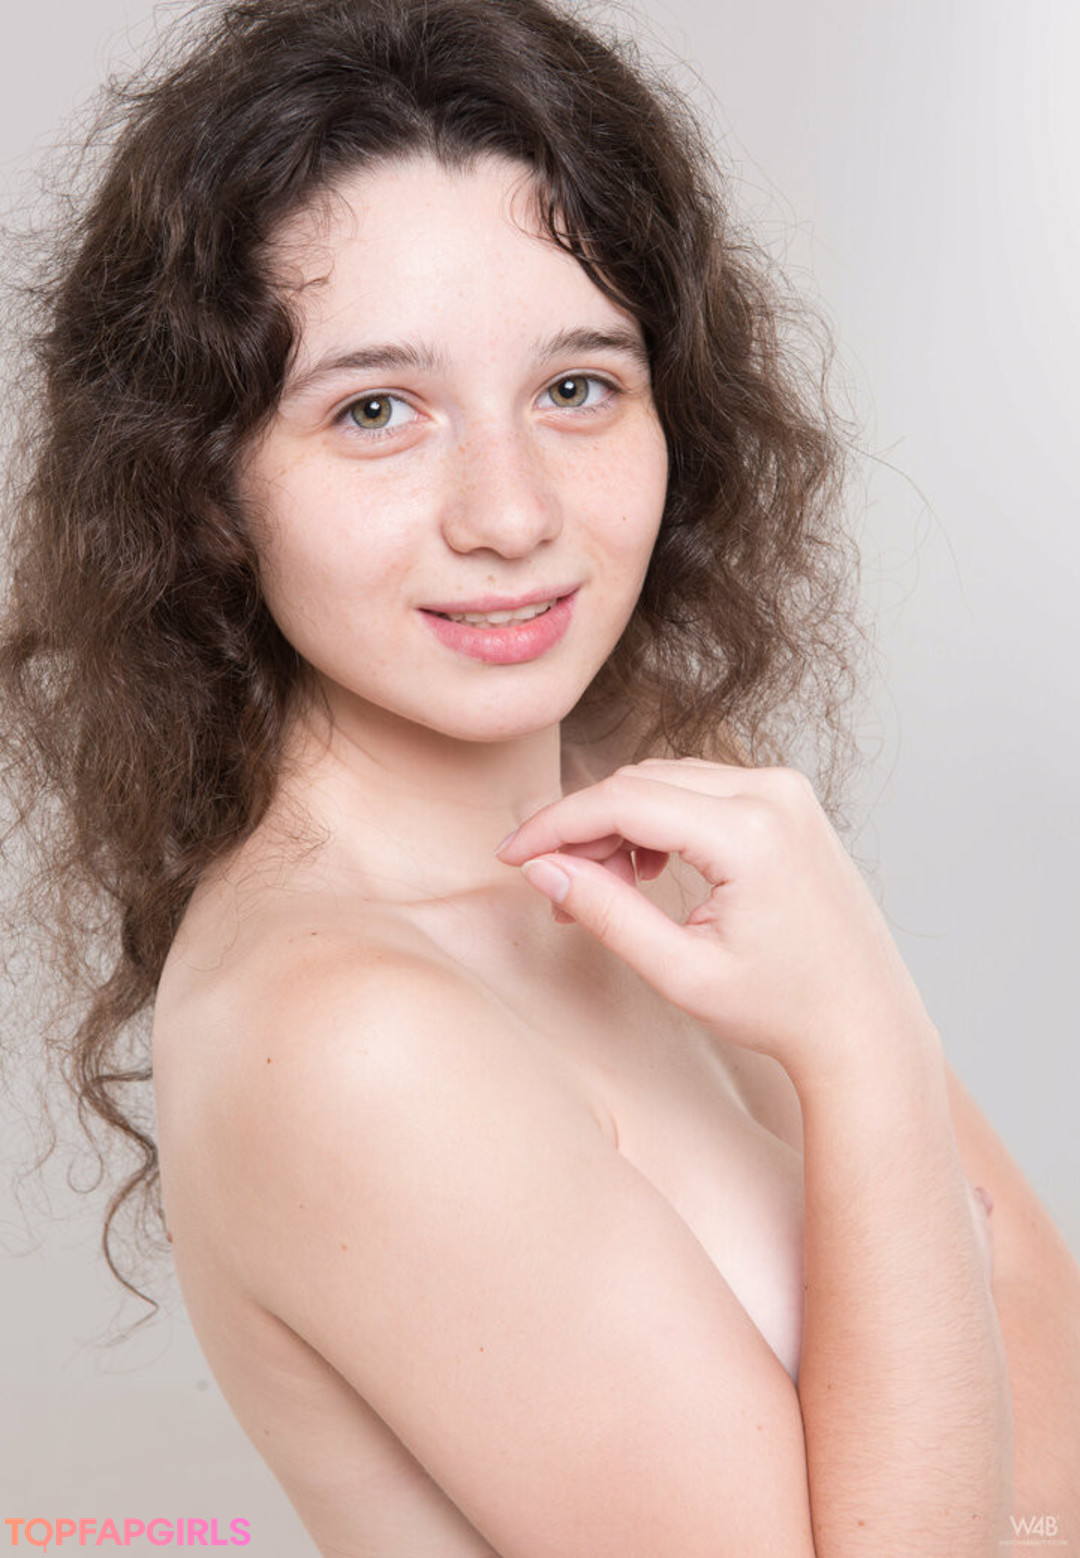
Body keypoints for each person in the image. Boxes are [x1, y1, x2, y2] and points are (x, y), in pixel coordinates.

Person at [1, 0, 1077, 1552]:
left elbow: (1050, 1397)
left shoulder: (667, 826)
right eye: (377, 410)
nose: (510, 514)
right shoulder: (348, 1037)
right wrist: (864, 1043)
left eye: (577, 386)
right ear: (208, 489)